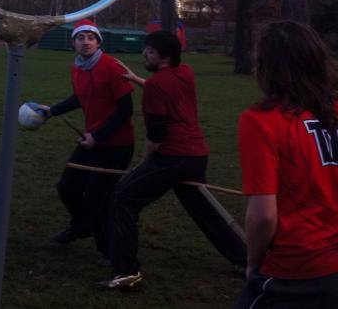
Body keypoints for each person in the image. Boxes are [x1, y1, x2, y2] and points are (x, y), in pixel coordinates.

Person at [233, 20, 338, 309]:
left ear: (266, 66)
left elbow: (263, 216)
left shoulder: (259, 121)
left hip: (299, 276)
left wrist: (252, 262)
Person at [97, 30, 246, 290]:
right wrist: (137, 79)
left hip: (173, 158)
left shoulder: (158, 85)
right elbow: (166, 89)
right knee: (204, 210)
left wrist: (143, 165)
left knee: (122, 198)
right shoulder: (185, 72)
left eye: (150, 51)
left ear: (164, 57)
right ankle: (246, 260)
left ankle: (126, 273)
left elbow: (155, 136)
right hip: (196, 155)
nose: (144, 53)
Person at [38, 18, 135, 264]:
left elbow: (125, 109)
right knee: (67, 187)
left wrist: (99, 136)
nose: (86, 42)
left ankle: (108, 250)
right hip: (91, 139)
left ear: (98, 41)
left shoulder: (111, 66)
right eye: (80, 38)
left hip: (117, 143)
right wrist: (52, 111)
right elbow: (79, 97)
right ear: (73, 43)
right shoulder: (77, 68)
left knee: (98, 198)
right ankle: (81, 226)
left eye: (91, 37)